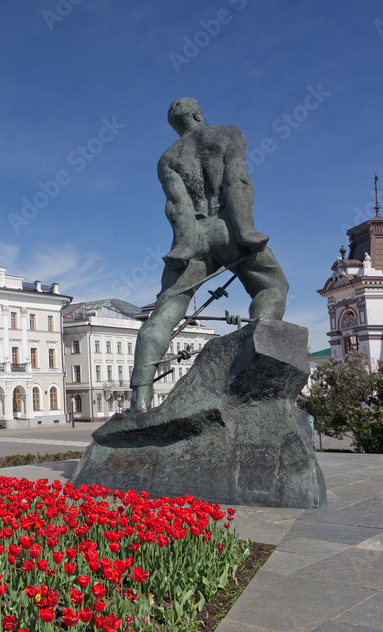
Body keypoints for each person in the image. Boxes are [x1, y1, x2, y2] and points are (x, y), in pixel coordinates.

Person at [129, 97, 289, 413]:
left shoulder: (168, 158)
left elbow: (177, 205)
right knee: (273, 288)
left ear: (176, 126)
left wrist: (184, 247)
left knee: (165, 312)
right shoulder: (227, 134)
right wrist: (245, 231)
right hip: (228, 226)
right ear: (199, 114)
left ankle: (139, 401)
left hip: (193, 238)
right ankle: (252, 372)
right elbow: (237, 181)